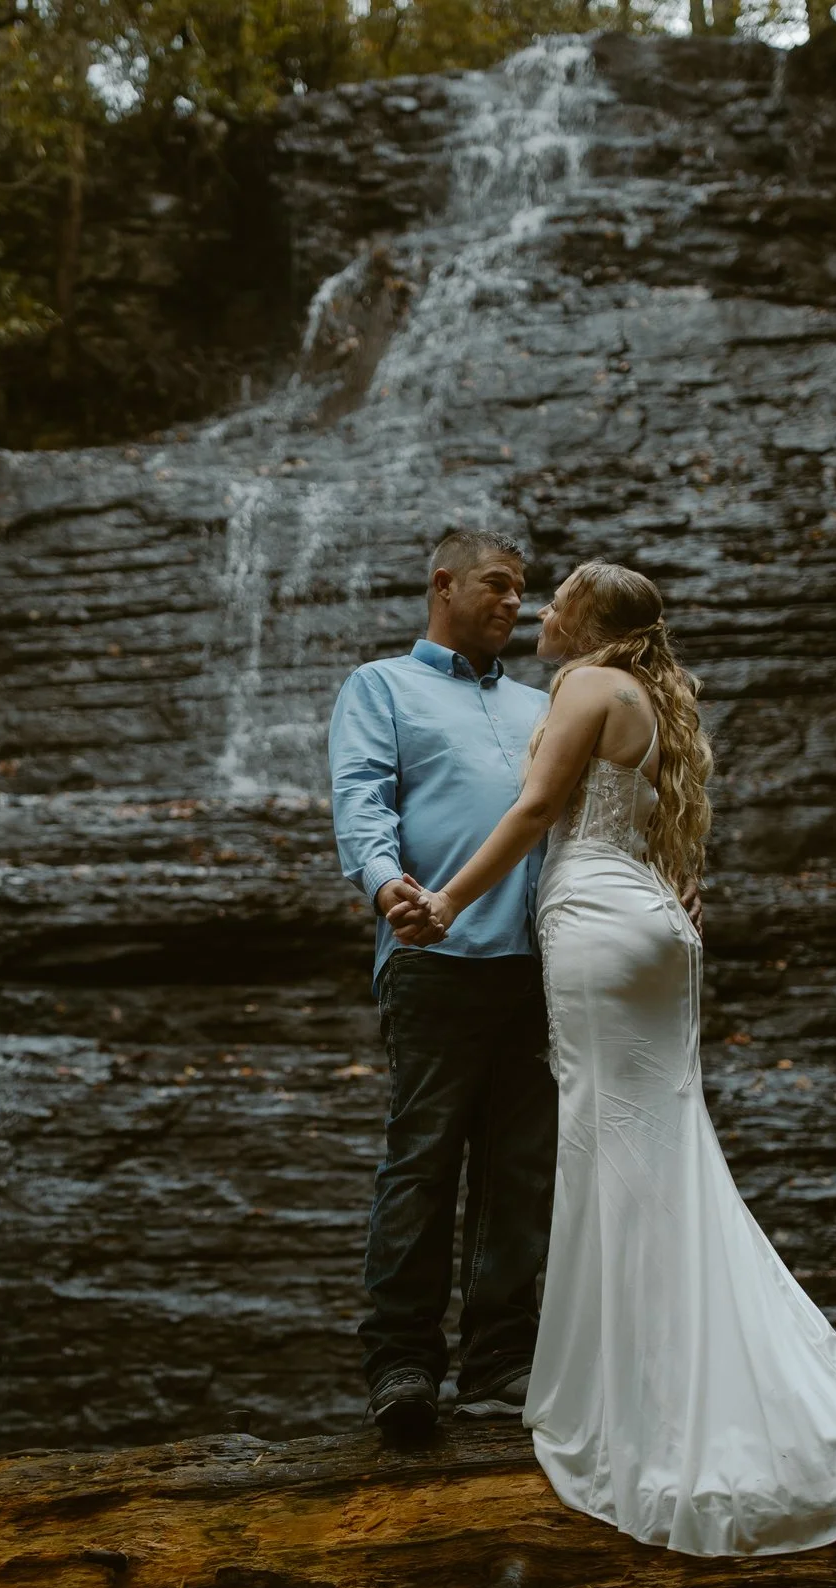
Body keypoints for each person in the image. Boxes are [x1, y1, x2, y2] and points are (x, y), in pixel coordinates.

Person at [400, 557, 836, 1556]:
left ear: (590, 619)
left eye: (559, 599)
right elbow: (657, 830)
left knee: (610, 1150)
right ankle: (678, 1371)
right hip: (650, 921)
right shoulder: (651, 695)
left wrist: (448, 901)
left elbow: (538, 810)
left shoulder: (587, 682)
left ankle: (641, 1398)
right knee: (663, 1151)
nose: (541, 608)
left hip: (595, 920)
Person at [326, 529, 557, 1439]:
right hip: (433, 954)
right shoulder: (381, 686)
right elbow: (361, 797)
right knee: (422, 1161)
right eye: (497, 584)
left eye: (522, 590)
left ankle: (500, 1362)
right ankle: (403, 1365)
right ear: (443, 584)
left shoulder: (545, 703)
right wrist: (387, 885)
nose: (514, 603)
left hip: (539, 965)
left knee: (520, 1168)